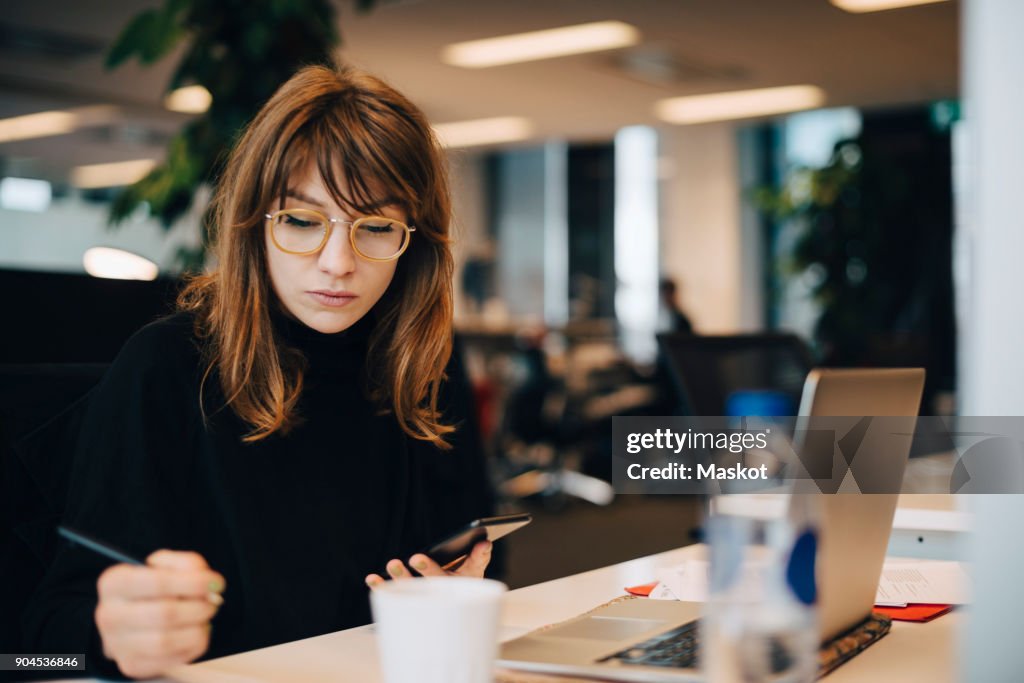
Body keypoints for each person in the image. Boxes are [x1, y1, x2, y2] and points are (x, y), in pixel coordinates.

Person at [22, 64, 494, 680]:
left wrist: (445, 596)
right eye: (301, 221)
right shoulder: (167, 369)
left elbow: (457, 571)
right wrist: (112, 642)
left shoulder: (421, 369)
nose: (338, 263)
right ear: (253, 225)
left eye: (376, 228)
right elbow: (33, 649)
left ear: (415, 242)